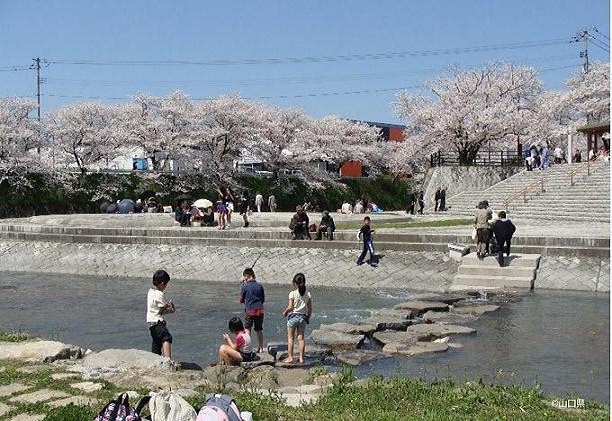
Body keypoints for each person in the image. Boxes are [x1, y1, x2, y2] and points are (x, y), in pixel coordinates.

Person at [282, 273, 312, 364]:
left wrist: (285, 312)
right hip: (302, 318)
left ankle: (290, 357)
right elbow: (310, 309)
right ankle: (302, 358)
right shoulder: (308, 294)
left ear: (295, 283)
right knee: (301, 338)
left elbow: (290, 307)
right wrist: (308, 317)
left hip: (293, 317)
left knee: (291, 338)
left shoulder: (292, 293)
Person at [146, 269, 175, 358]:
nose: (166, 286)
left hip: (151, 324)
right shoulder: (159, 294)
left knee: (156, 344)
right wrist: (171, 309)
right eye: (166, 284)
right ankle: (168, 360)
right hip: (158, 323)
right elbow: (161, 311)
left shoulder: (150, 292)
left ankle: (155, 360)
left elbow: (155, 307)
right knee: (166, 337)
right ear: (162, 284)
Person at [239, 267, 265, 353]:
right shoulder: (260, 286)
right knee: (259, 330)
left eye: (244, 277)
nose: (244, 279)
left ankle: (248, 349)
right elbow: (263, 299)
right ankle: (261, 348)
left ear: (247, 276)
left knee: (247, 329)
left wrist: (243, 287)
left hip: (250, 310)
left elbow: (241, 300)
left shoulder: (245, 286)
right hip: (260, 310)